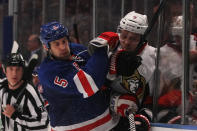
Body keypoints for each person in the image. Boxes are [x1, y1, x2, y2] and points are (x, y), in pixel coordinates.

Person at [38, 21, 119, 130]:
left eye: (64, 41)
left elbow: (99, 68)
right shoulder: (47, 72)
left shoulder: (76, 49)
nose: (63, 47)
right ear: (46, 46)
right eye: (56, 44)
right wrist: (101, 48)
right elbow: (88, 85)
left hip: (107, 123)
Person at [98, 11, 156, 131]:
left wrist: (142, 119)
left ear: (142, 38)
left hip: (133, 117)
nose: (126, 42)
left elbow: (151, 99)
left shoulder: (152, 58)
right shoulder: (110, 49)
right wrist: (114, 100)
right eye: (124, 36)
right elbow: (95, 88)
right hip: (106, 118)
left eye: (133, 39)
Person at [0, 53, 49, 130]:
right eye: (11, 69)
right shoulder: (1, 86)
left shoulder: (30, 92)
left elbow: (44, 122)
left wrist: (15, 116)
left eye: (18, 69)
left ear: (23, 70)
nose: (14, 73)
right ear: (4, 70)